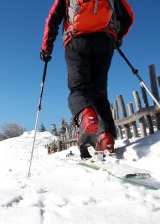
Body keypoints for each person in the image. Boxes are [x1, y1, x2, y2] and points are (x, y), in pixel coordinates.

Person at [40, 0, 134, 158]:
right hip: (104, 41)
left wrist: (46, 47)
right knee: (100, 93)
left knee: (78, 89)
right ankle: (106, 139)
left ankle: (87, 116)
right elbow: (128, 17)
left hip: (76, 40)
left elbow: (52, 19)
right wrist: (117, 37)